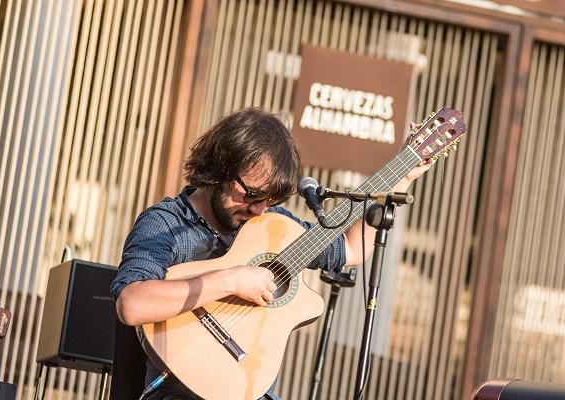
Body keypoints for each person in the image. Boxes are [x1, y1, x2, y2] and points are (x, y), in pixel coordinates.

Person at [110, 108, 430, 399]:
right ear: (221, 168)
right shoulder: (166, 223)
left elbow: (349, 248)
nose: (260, 208)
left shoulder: (271, 227)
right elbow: (132, 303)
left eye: (270, 200)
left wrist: (401, 176)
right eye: (252, 194)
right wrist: (232, 279)